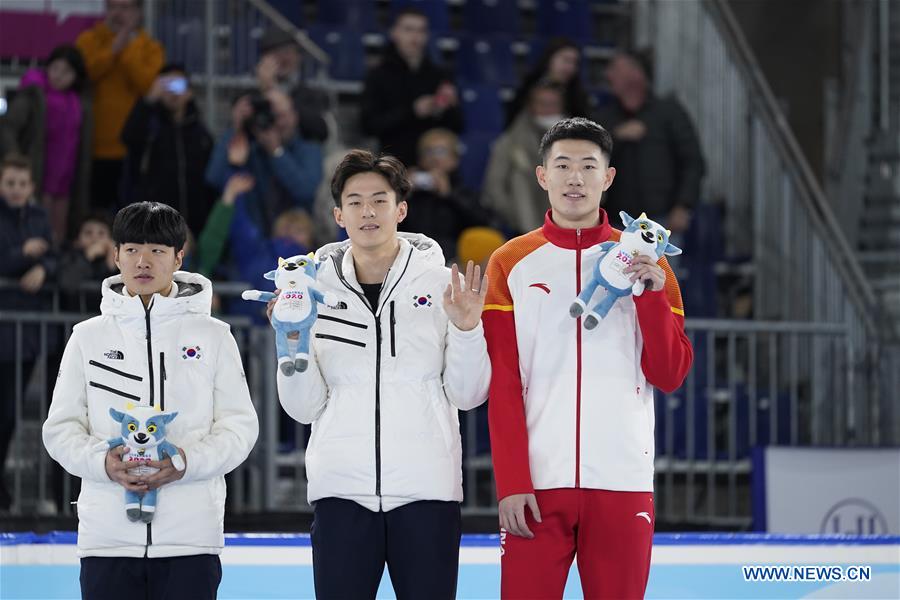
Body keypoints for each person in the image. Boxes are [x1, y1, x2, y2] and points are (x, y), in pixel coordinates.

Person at [483, 118, 693, 599]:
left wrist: (651, 297)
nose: (574, 178)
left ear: (608, 177)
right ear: (542, 176)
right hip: (536, 487)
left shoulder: (650, 262)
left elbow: (670, 374)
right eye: (562, 166)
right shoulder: (510, 264)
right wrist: (512, 481)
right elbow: (504, 382)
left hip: (622, 482)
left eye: (587, 166)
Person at [274, 150, 490, 599]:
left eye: (379, 199)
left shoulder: (442, 284)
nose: (367, 211)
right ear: (338, 214)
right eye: (354, 201)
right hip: (341, 492)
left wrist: (468, 329)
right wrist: (290, 339)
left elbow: (468, 395)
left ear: (401, 209)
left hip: (428, 491)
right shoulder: (309, 291)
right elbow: (302, 407)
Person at [42, 201, 259, 599]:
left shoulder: (214, 336)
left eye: (157, 251)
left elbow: (239, 428)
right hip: (106, 539)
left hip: (191, 539)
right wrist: (101, 463)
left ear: (178, 257)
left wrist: (185, 463)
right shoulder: (87, 337)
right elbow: (60, 429)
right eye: (132, 249)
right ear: (116, 255)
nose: (143, 261)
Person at [595, 49, 705, 236]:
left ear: (635, 74)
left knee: (661, 266)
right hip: (615, 222)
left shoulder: (669, 113)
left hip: (662, 221)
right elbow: (589, 163)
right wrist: (615, 137)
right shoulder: (604, 116)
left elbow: (692, 161)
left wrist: (683, 205)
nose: (608, 74)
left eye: (615, 69)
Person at [0, 154, 57, 511]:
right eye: (10, 183)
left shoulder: (39, 217)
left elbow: (55, 255)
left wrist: (43, 268)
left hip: (28, 332)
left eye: (22, 184)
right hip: (6, 326)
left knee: (11, 412)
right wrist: (25, 254)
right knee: (3, 412)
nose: (17, 190)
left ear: (31, 187)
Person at [76, 0, 164, 211]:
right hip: (92, 146)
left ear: (138, 12)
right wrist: (112, 50)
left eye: (125, 7)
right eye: (112, 7)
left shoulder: (151, 48)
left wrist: (127, 49)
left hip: (134, 148)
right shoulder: (89, 40)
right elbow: (84, 74)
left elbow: (148, 85)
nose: (118, 13)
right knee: (93, 212)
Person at [0, 44, 92, 244]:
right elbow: (7, 128)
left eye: (66, 71)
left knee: (58, 234)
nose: (58, 75)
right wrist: (17, 161)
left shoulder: (78, 101)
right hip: (37, 173)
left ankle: (51, 268)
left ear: (76, 76)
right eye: (55, 68)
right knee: (33, 230)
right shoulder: (34, 94)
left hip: (66, 178)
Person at [205, 88, 322, 236]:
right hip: (252, 243)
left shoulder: (309, 149)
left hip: (293, 243)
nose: (280, 123)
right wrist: (236, 129)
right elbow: (214, 178)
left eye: (285, 115)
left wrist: (276, 151)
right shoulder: (249, 149)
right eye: (274, 116)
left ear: (295, 115)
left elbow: (305, 191)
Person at [121, 63, 217, 237]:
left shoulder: (201, 133)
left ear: (189, 92)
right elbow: (128, 138)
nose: (173, 92)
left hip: (196, 226)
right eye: (166, 85)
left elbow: (210, 182)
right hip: (156, 226)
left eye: (178, 85)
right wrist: (148, 100)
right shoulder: (150, 127)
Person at [360, 8, 463, 166]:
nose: (415, 37)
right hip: (394, 163)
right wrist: (413, 111)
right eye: (408, 29)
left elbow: (458, 126)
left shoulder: (440, 75)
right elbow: (368, 125)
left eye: (421, 30)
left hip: (434, 166)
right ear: (394, 32)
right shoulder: (377, 75)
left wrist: (447, 108)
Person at [483, 81, 566, 235]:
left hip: (568, 221)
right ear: (531, 107)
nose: (548, 110)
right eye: (542, 104)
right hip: (520, 222)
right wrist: (513, 214)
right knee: (518, 176)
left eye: (553, 104)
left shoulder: (579, 142)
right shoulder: (510, 141)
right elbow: (494, 187)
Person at [400, 128, 494, 257]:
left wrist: (449, 194)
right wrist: (402, 194)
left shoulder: (464, 192)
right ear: (420, 159)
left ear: (454, 158)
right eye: (428, 151)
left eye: (440, 151)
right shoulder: (410, 193)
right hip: (414, 257)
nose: (434, 158)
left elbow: (483, 224)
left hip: (455, 258)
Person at [256, 28, 331, 143]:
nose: (282, 58)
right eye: (275, 53)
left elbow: (321, 130)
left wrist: (274, 91)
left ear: (298, 57)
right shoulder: (250, 95)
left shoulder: (313, 95)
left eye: (287, 52)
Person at [505, 37, 590, 129]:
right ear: (550, 59)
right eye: (566, 60)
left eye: (575, 63)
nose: (571, 67)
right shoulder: (529, 85)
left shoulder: (577, 95)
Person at [57, 212, 118, 312]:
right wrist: (88, 257)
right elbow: (67, 283)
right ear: (77, 241)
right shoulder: (69, 257)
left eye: (101, 233)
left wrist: (112, 264)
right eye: (88, 233)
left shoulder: (120, 260)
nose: (95, 238)